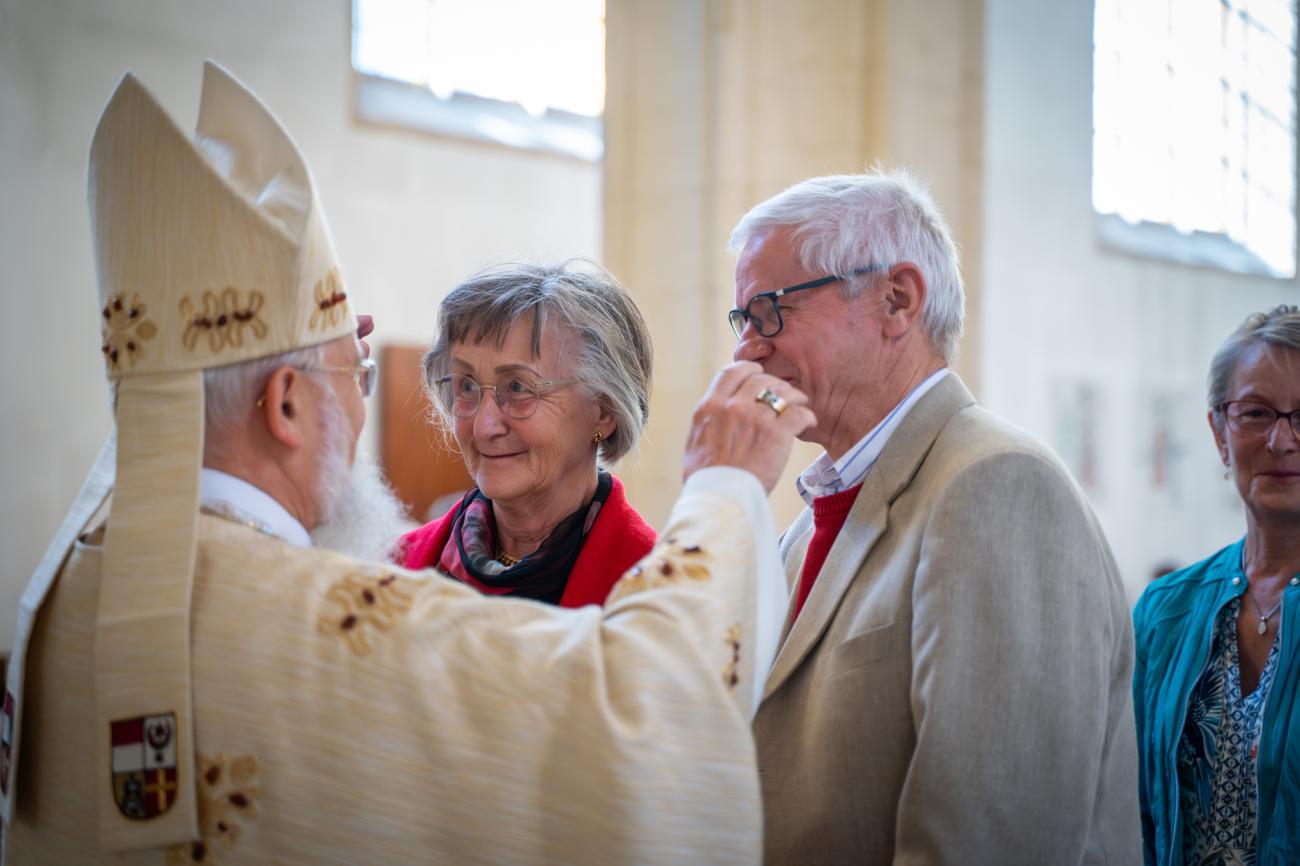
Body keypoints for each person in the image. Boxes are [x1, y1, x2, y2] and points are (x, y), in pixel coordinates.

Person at [0, 62, 811, 864]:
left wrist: (311, 366)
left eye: (519, 389)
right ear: (285, 407)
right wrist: (727, 482)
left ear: (604, 410)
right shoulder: (366, 609)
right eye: (351, 380)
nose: (481, 419)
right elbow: (651, 719)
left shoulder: (75, 592)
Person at [727, 169, 1142, 864]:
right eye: (742, 319)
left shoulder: (999, 486)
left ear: (897, 300)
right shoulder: (809, 524)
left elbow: (990, 842)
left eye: (770, 309)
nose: (747, 347)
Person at [1133, 306, 1300, 866]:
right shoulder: (1163, 614)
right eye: (1255, 413)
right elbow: (1130, 811)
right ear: (1219, 433)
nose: (1282, 438)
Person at [397, 261, 657, 607]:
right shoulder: (397, 568)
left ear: (604, 410)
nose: (484, 426)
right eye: (467, 386)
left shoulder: (654, 593)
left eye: (518, 387)